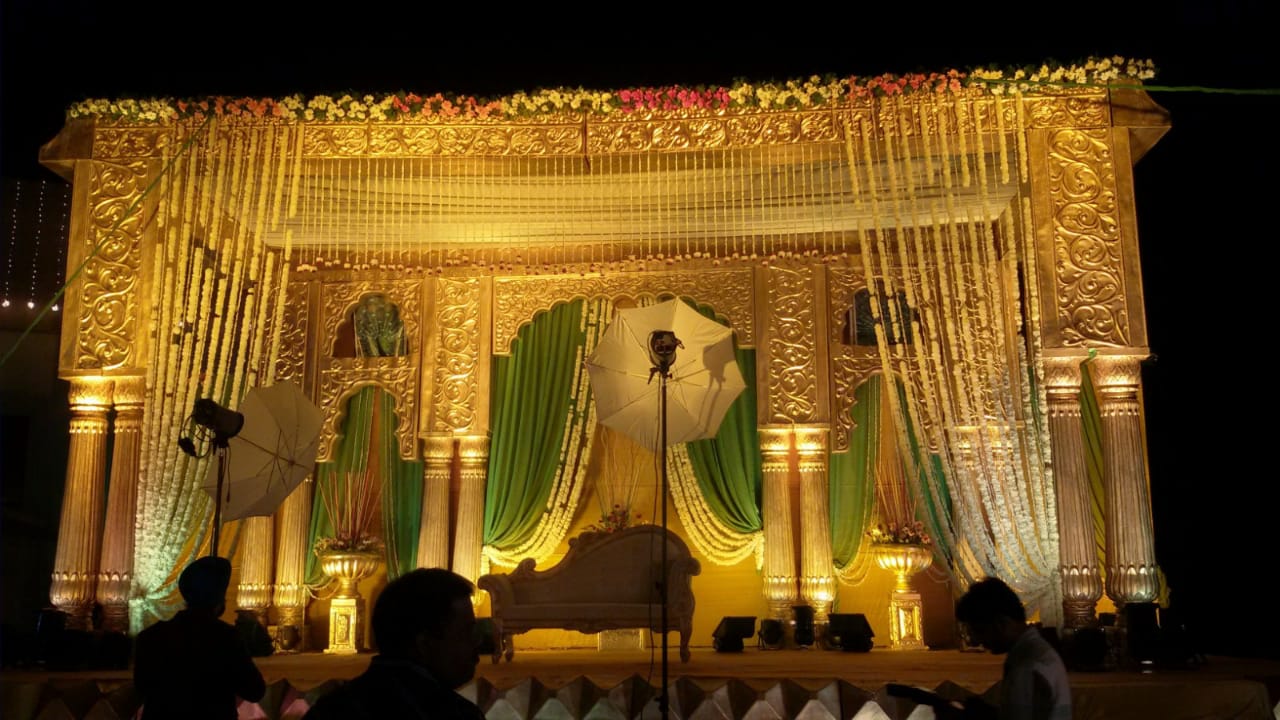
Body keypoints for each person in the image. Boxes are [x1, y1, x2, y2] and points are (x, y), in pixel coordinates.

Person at [304, 568, 484, 720]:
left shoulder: (331, 710)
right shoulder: (454, 714)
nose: (478, 641)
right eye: (466, 632)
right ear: (425, 644)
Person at [133, 555, 266, 719]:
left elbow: (141, 688)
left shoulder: (150, 637)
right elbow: (255, 691)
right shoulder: (227, 638)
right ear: (218, 601)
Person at [953, 577, 1072, 720]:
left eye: (980, 631)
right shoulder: (1037, 653)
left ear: (1001, 624)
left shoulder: (1026, 666)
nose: (976, 641)